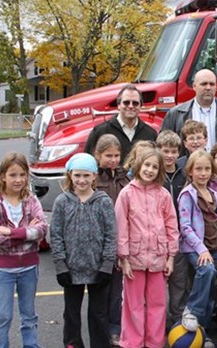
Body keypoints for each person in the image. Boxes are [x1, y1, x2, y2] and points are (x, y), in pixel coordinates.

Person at [115, 149, 179, 348]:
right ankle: (132, 342)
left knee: (157, 304)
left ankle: (154, 342)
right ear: (138, 165)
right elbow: (121, 227)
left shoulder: (163, 195)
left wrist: (171, 257)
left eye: (154, 167)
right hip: (133, 259)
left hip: (159, 258)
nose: (150, 170)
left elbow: (172, 226)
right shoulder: (126, 194)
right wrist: (123, 259)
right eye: (147, 165)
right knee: (132, 304)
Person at [51, 153, 116, 348]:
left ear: (94, 176)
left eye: (86, 176)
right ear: (70, 175)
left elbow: (111, 234)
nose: (82, 180)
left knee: (98, 313)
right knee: (71, 314)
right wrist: (60, 265)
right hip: (70, 269)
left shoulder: (103, 201)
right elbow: (55, 235)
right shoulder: (62, 202)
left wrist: (107, 264)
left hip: (98, 269)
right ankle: (72, 344)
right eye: (77, 175)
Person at [0, 152, 48, 348]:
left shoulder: (31, 200)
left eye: (22, 175)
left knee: (28, 315)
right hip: (3, 271)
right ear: (3, 176)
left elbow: (43, 230)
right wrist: (27, 233)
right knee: (2, 317)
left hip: (29, 268)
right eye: (12, 175)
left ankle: (31, 345)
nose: (18, 180)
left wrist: (11, 232)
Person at [177, 150, 217, 345]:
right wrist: (201, 249)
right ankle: (192, 310)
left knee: (212, 289)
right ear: (190, 171)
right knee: (206, 270)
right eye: (198, 169)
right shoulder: (187, 194)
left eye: (206, 169)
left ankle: (201, 335)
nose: (203, 173)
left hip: (213, 248)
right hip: (195, 248)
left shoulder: (216, 195)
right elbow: (185, 226)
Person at [161, 69, 217, 158]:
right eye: (204, 84)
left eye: (212, 84)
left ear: (216, 87)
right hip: (185, 171)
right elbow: (163, 144)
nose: (208, 88)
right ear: (194, 86)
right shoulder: (176, 114)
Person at [93, 134, 130, 346]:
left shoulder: (126, 178)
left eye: (116, 155)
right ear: (98, 155)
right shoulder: (94, 178)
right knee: (100, 289)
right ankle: (99, 328)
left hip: (120, 240)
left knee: (117, 289)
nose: (113, 160)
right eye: (108, 156)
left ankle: (115, 328)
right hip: (98, 243)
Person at [156, 130, 191, 329]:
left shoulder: (184, 174)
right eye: (165, 151)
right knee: (159, 283)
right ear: (158, 150)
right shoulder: (154, 173)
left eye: (173, 151)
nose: (169, 155)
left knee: (179, 280)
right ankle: (158, 320)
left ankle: (177, 318)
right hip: (157, 237)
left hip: (179, 236)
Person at [84, 84, 158, 162]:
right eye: (126, 102)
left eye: (135, 103)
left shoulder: (151, 134)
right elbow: (87, 163)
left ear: (140, 106)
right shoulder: (100, 132)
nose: (130, 106)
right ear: (118, 105)